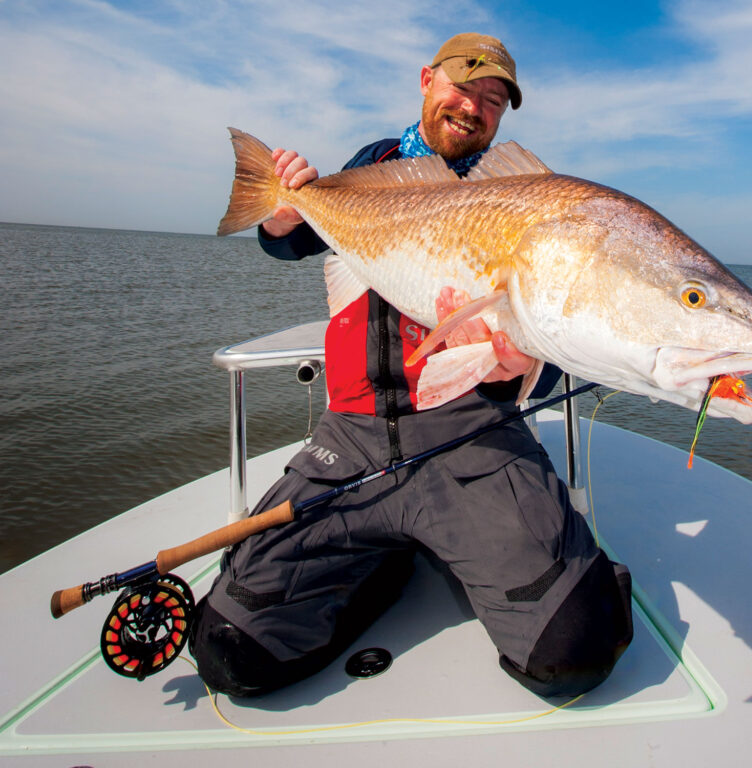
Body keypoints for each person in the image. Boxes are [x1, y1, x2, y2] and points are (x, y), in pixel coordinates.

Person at [190, 33, 633, 699]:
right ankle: (387, 560)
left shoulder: (527, 194)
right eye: (464, 87)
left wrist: (522, 362)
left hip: (471, 436)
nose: (475, 107)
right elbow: (304, 237)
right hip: (354, 436)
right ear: (427, 81)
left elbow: (564, 325)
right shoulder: (375, 164)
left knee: (576, 648)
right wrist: (280, 219)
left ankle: (507, 552)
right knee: (231, 650)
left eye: (493, 100)